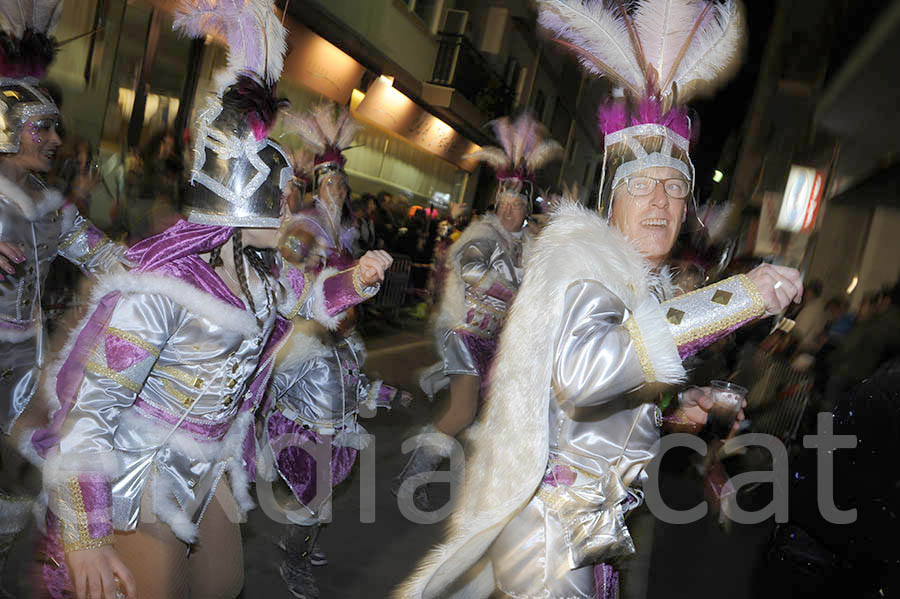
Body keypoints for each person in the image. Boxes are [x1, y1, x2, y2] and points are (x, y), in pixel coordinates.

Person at [396, 1, 803, 597]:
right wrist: (739, 297)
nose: (659, 203)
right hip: (552, 542)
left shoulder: (634, 282)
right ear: (612, 200)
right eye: (641, 187)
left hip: (582, 536)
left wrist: (676, 408)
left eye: (673, 189)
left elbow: (597, 408)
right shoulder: (590, 269)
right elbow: (585, 373)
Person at [29, 5, 389, 598]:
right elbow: (91, 412)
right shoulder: (162, 287)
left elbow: (312, 299)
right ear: (241, 202)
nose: (291, 210)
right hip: (141, 469)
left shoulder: (264, 277)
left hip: (214, 461)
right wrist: (86, 536)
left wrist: (358, 280)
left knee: (224, 585)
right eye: (282, 197)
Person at [0, 4, 128, 590]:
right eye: (40, 126)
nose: (54, 139)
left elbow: (112, 260)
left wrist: (186, 260)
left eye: (55, 126)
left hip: (23, 372)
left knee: (18, 484)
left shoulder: (53, 208)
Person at [395, 113, 562, 510]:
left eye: (517, 205)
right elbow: (471, 269)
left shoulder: (527, 242)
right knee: (464, 408)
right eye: (504, 204)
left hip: (493, 339)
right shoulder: (483, 234)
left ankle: (480, 480)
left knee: (486, 411)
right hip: (463, 332)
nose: (510, 211)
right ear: (496, 204)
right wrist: (514, 292)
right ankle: (413, 474)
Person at [266, 103, 396, 598]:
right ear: (315, 182)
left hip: (340, 352)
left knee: (335, 447)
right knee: (320, 455)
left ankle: (305, 526)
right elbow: (298, 289)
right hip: (309, 354)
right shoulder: (303, 229)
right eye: (327, 179)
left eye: (341, 179)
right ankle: (297, 543)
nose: (337, 187)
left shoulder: (347, 230)